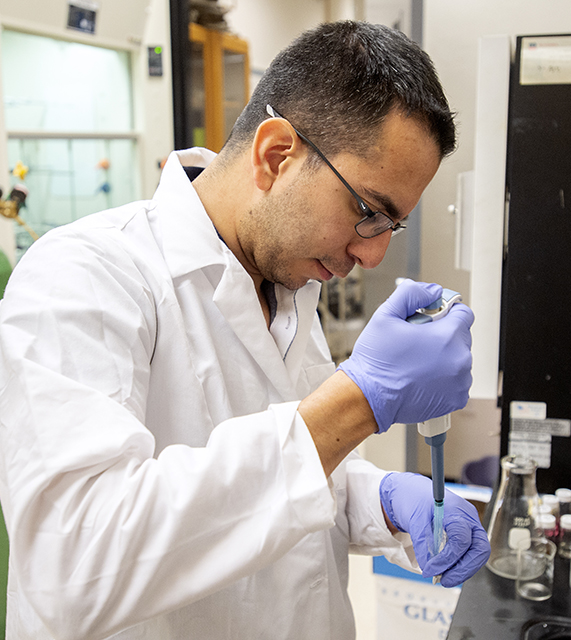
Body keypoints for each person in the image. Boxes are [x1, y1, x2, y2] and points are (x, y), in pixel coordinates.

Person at [0, 20, 489, 640]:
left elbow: (293, 475)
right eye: (370, 212)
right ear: (276, 154)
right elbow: (73, 565)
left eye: (389, 227)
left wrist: (382, 499)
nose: (372, 258)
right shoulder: (87, 274)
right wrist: (357, 403)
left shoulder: (289, 281)